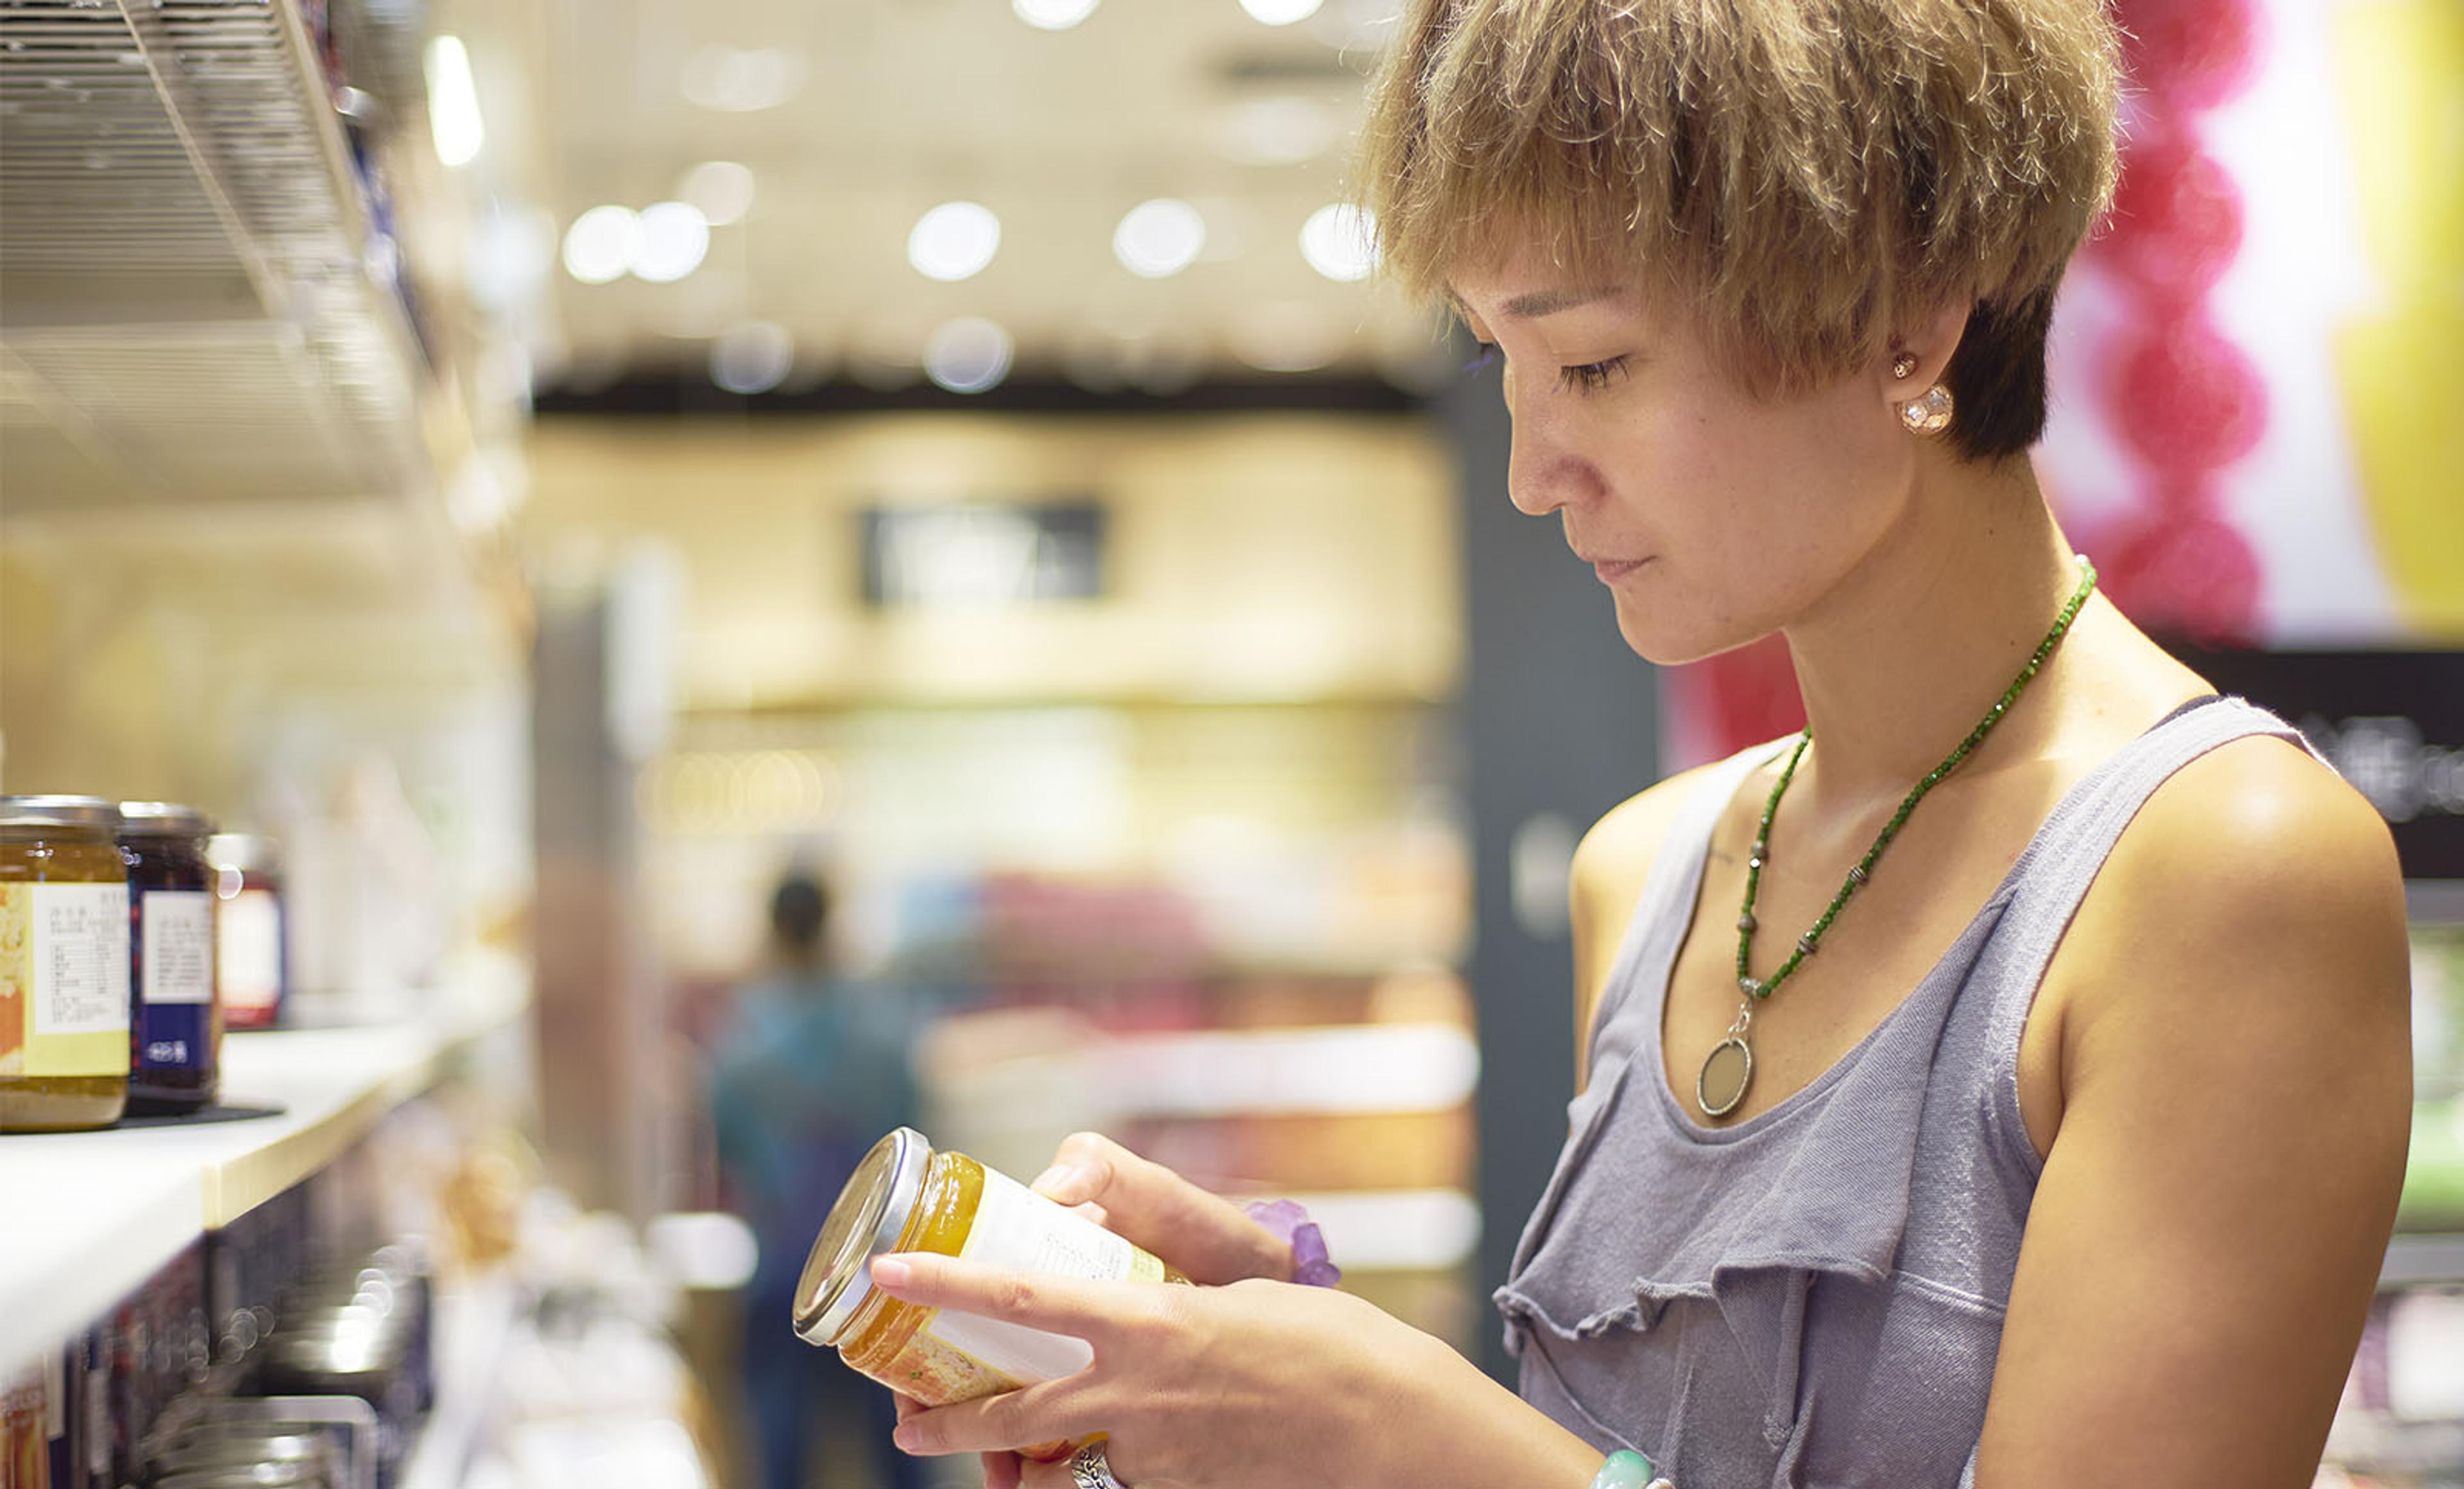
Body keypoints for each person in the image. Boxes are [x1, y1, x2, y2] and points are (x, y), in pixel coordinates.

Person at [868, 2, 2413, 1485]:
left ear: (1907, 318)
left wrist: (1408, 1434)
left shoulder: (2223, 872)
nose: (1534, 470)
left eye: (1595, 364)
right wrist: (1291, 1369)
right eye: (1500, 362)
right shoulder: (1655, 866)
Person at [711, 870, 925, 1489]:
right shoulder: (883, 1033)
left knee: (783, 1448)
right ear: (833, 924)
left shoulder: (741, 1041)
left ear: (772, 930)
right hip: (880, 1274)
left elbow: (729, 1152)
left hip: (786, 1273)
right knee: (903, 1439)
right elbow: (917, 1144)